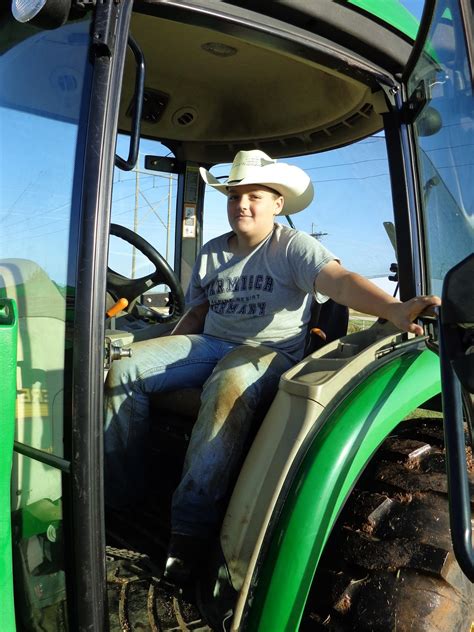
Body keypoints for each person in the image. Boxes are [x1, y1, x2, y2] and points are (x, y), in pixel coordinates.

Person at [104, 149, 440, 584]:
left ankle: (189, 532)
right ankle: (120, 500)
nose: (242, 204)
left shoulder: (293, 247)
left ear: (277, 203)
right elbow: (197, 315)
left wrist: (394, 309)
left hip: (269, 351)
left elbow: (337, 281)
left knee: (231, 380)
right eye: (234, 196)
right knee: (125, 364)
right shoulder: (210, 254)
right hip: (209, 342)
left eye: (254, 196)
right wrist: (169, 350)